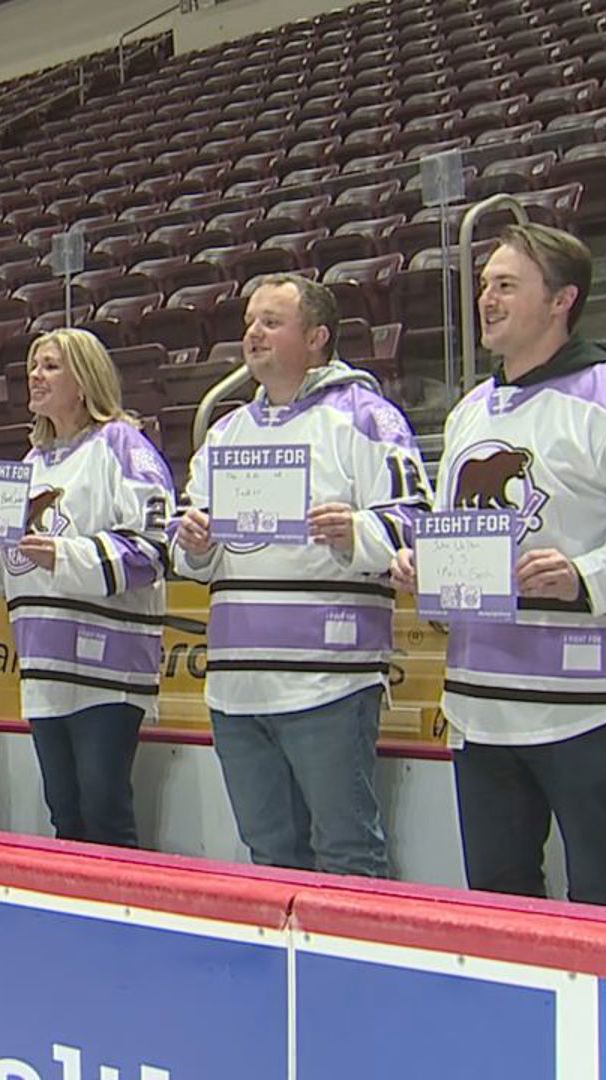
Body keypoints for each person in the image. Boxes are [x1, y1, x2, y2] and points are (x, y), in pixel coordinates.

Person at [390, 223, 606, 909]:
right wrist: (428, 568)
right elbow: (463, 537)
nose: (486, 299)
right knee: (500, 901)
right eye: (484, 285)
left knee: (604, 891)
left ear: (562, 299)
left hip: (586, 705)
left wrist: (584, 575)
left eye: (506, 285)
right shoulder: (471, 411)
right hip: (480, 704)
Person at [173, 275, 429, 878]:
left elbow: (416, 523)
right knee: (269, 858)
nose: (253, 333)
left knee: (346, 853)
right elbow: (189, 555)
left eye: (271, 322)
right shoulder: (225, 432)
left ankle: (354, 973)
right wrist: (193, 542)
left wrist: (357, 530)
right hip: (237, 687)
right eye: (250, 322)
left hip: (329, 683)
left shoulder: (369, 418)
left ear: (316, 337)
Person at [0, 329, 172, 847]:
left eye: (50, 366)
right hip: (42, 665)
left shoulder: (123, 446)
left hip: (108, 666)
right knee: (65, 814)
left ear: (84, 381)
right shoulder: (30, 464)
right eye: (33, 365)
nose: (35, 375)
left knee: (104, 809)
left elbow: (154, 548)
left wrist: (66, 555)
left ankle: (123, 922)